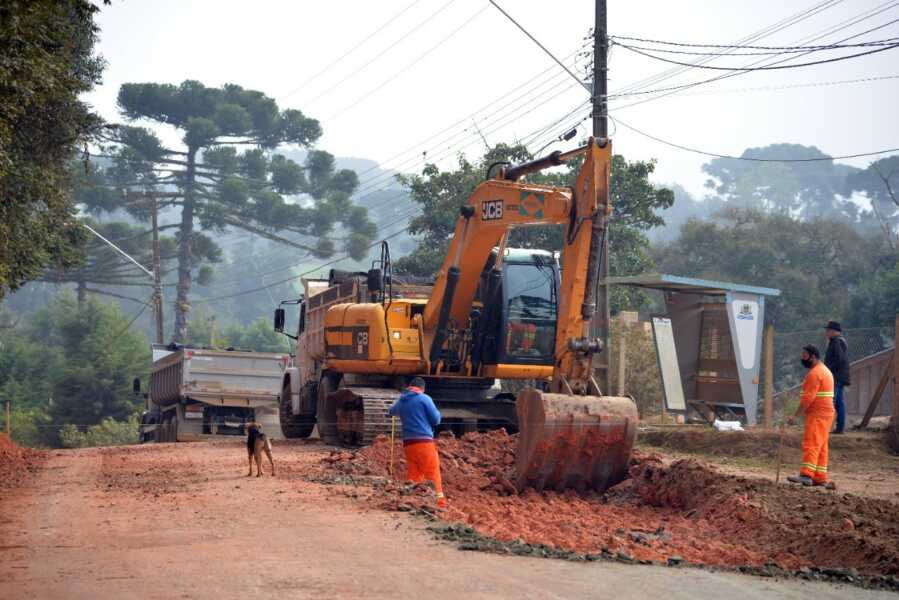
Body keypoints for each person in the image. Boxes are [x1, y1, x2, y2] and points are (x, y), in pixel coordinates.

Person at [387, 377, 446, 508]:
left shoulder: (402, 400)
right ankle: (439, 504)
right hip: (424, 442)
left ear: (410, 386)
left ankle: (413, 501)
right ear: (422, 388)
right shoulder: (424, 398)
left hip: (408, 444)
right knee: (432, 473)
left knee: (414, 474)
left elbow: (391, 411)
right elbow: (436, 420)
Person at [787, 345, 836, 488]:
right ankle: (819, 477)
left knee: (812, 444)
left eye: (804, 355)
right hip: (826, 414)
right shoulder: (825, 371)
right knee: (821, 445)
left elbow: (808, 398)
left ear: (813, 356)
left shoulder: (814, 374)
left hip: (817, 414)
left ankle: (806, 475)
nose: (802, 358)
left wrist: (795, 416)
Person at [823, 321, 850, 434]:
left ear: (834, 331)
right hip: (840, 376)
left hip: (836, 376)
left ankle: (828, 427)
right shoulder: (839, 341)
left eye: (828, 330)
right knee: (839, 402)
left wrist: (828, 370)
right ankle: (840, 428)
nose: (826, 332)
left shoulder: (836, 342)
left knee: (831, 401)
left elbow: (839, 359)